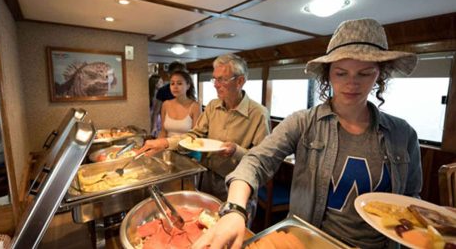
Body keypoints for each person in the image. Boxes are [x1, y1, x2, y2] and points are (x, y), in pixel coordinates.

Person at [192, 18, 422, 249]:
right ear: (328, 74)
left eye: (364, 73)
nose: (352, 83)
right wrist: (235, 209)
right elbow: (256, 160)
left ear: (379, 75)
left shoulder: (402, 134)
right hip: (308, 241)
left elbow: (410, 200)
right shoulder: (303, 123)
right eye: (341, 73)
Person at [138, 54, 271, 201]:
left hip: (238, 183)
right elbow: (194, 136)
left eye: (222, 79)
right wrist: (164, 143)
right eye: (214, 79)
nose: (215, 84)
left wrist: (236, 151)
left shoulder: (259, 114)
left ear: (240, 81)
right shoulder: (213, 106)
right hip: (207, 176)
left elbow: (263, 162)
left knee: (233, 223)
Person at [158, 70, 201, 138]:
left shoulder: (195, 106)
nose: (175, 87)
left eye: (179, 83)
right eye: (172, 83)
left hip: (186, 146)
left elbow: (195, 135)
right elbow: (163, 132)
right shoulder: (165, 104)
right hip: (166, 146)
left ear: (188, 86)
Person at [151, 61, 187, 136]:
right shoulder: (163, 91)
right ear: (169, 75)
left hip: (185, 130)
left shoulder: (188, 90)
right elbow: (156, 112)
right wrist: (154, 127)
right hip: (168, 129)